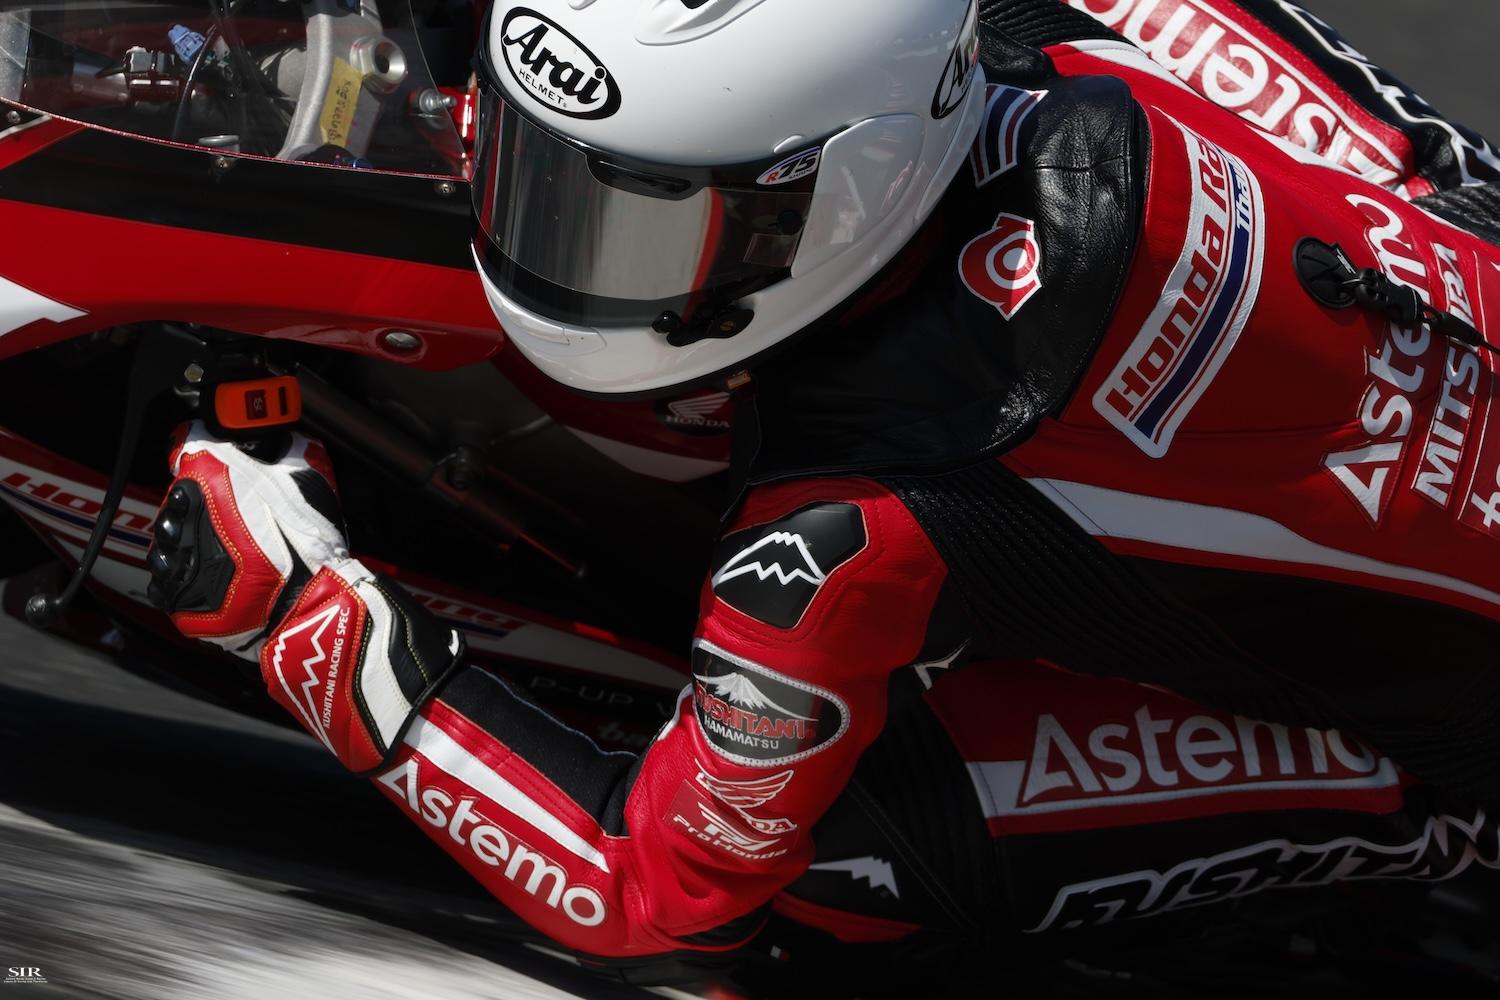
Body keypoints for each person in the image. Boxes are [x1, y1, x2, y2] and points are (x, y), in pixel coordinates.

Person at [145, 0, 1500, 988]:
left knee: (829, 872)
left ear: (837, 193)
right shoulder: (1024, 37)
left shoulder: (860, 518)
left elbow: (652, 893)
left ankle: (1414, 831)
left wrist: (309, 629)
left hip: (1454, 730)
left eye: (637, 218)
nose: (547, 235)